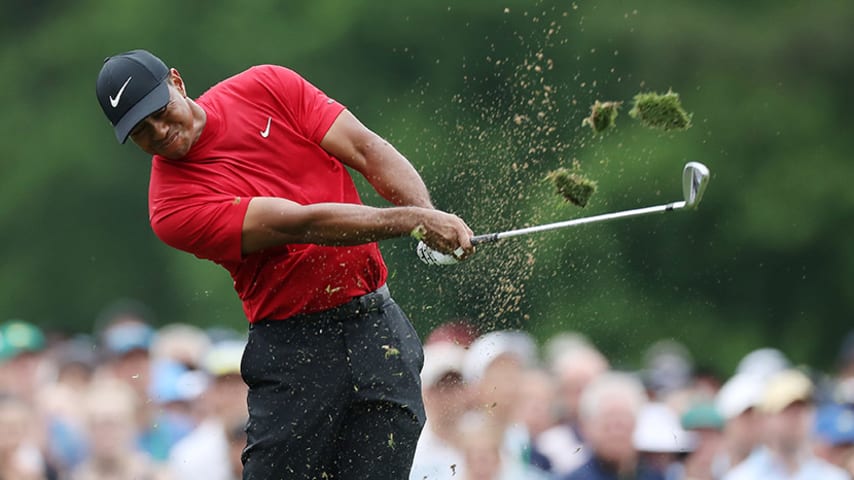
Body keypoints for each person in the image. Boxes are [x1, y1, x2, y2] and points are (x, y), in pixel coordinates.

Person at [95, 49, 475, 479]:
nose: (161, 132)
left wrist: (426, 213)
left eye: (161, 112)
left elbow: (366, 148)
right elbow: (302, 222)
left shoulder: (267, 86)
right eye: (143, 133)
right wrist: (415, 222)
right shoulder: (171, 208)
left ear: (177, 83)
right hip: (295, 353)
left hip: (376, 330)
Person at [722, 369, 850, 480]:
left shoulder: (835, 477)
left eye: (803, 409)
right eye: (787, 410)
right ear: (765, 418)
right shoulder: (741, 477)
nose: (796, 418)